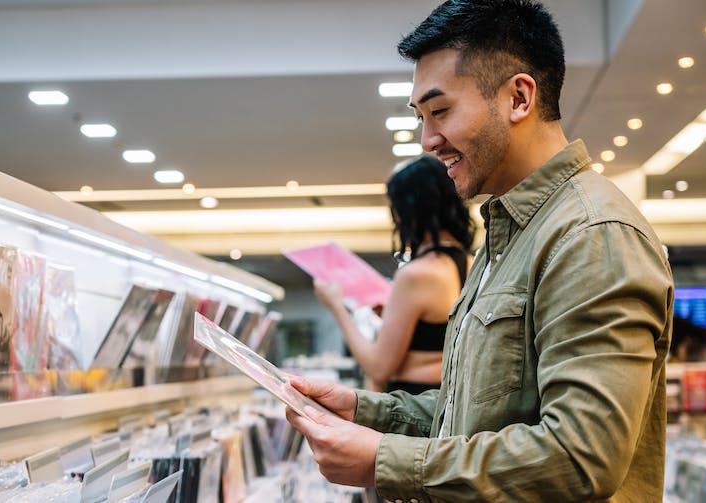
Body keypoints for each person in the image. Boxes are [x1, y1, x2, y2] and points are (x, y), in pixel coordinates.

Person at [285, 0, 675, 501]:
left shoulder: (590, 233)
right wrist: (365, 411)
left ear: (518, 98)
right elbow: (468, 415)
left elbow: (581, 456)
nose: (427, 140)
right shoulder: (506, 235)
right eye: (421, 117)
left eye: (440, 111)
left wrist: (384, 459)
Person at [314, 155, 475, 394]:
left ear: (405, 211)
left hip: (415, 404)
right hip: (452, 400)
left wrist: (337, 307)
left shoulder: (416, 275)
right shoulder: (472, 264)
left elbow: (378, 369)